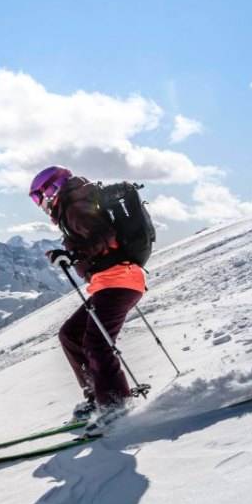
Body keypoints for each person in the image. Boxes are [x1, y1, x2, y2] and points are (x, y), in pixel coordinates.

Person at [29, 166, 147, 431]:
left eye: (39, 197)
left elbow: (103, 236)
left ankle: (116, 406)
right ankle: (98, 396)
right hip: (112, 282)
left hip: (120, 281)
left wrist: (72, 255)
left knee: (97, 343)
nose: (40, 204)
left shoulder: (74, 206)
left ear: (52, 189)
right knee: (71, 334)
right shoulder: (76, 204)